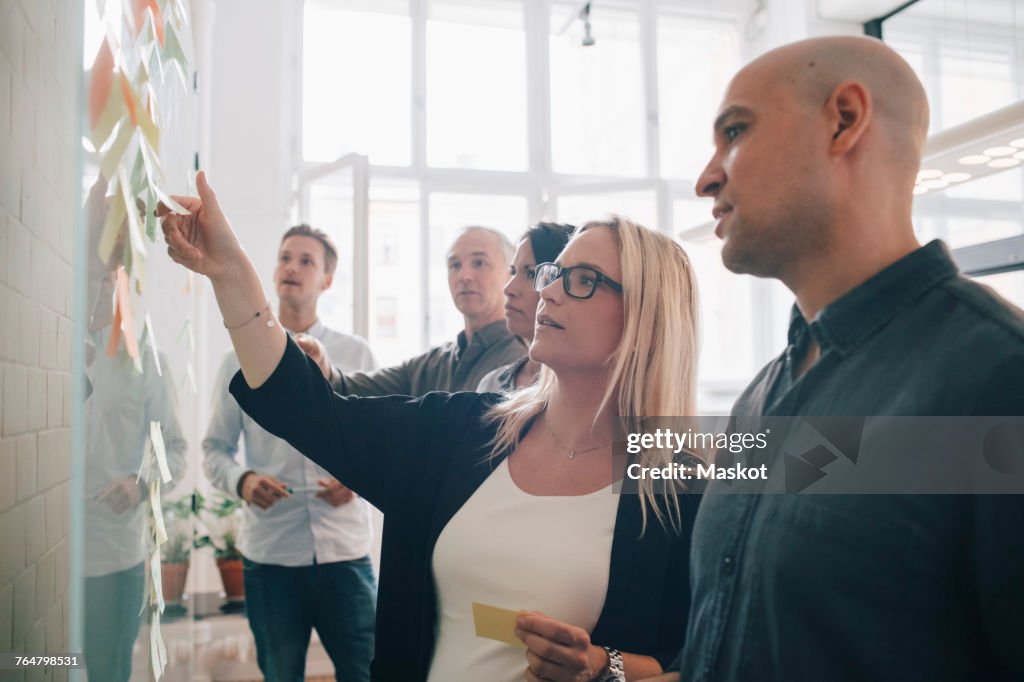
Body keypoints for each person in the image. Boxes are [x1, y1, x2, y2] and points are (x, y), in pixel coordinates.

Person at [161, 181, 703, 681]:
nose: (550, 292)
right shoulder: (462, 428)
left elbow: (710, 652)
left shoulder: (685, 481)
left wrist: (603, 666)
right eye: (552, 274)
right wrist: (230, 273)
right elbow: (306, 408)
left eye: (583, 280)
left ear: (646, 316)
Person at [660, 36, 1024, 682]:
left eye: (735, 132)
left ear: (843, 121)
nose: (706, 178)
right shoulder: (761, 396)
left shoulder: (998, 379)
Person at [203, 224, 378, 682]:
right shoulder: (236, 359)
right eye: (285, 258)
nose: (291, 268)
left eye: (306, 261)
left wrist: (360, 480)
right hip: (271, 558)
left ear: (326, 280)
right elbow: (214, 449)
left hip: (346, 555)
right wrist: (243, 481)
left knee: (367, 673)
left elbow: (380, 442)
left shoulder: (357, 354)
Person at [82, 179, 187, 682]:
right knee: (41, 661)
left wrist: (140, 482)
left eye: (113, 276)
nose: (103, 286)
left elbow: (176, 448)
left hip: (117, 560)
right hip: (52, 553)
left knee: (106, 670)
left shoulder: (147, 360)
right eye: (95, 274)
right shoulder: (43, 346)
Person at [303, 225, 524, 396]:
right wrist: (325, 369)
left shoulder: (525, 361)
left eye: (479, 263)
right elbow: (353, 389)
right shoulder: (434, 363)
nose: (464, 276)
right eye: (454, 265)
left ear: (510, 274)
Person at [478, 222, 575, 393]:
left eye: (531, 274)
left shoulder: (585, 392)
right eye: (513, 272)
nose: (509, 289)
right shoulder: (490, 384)